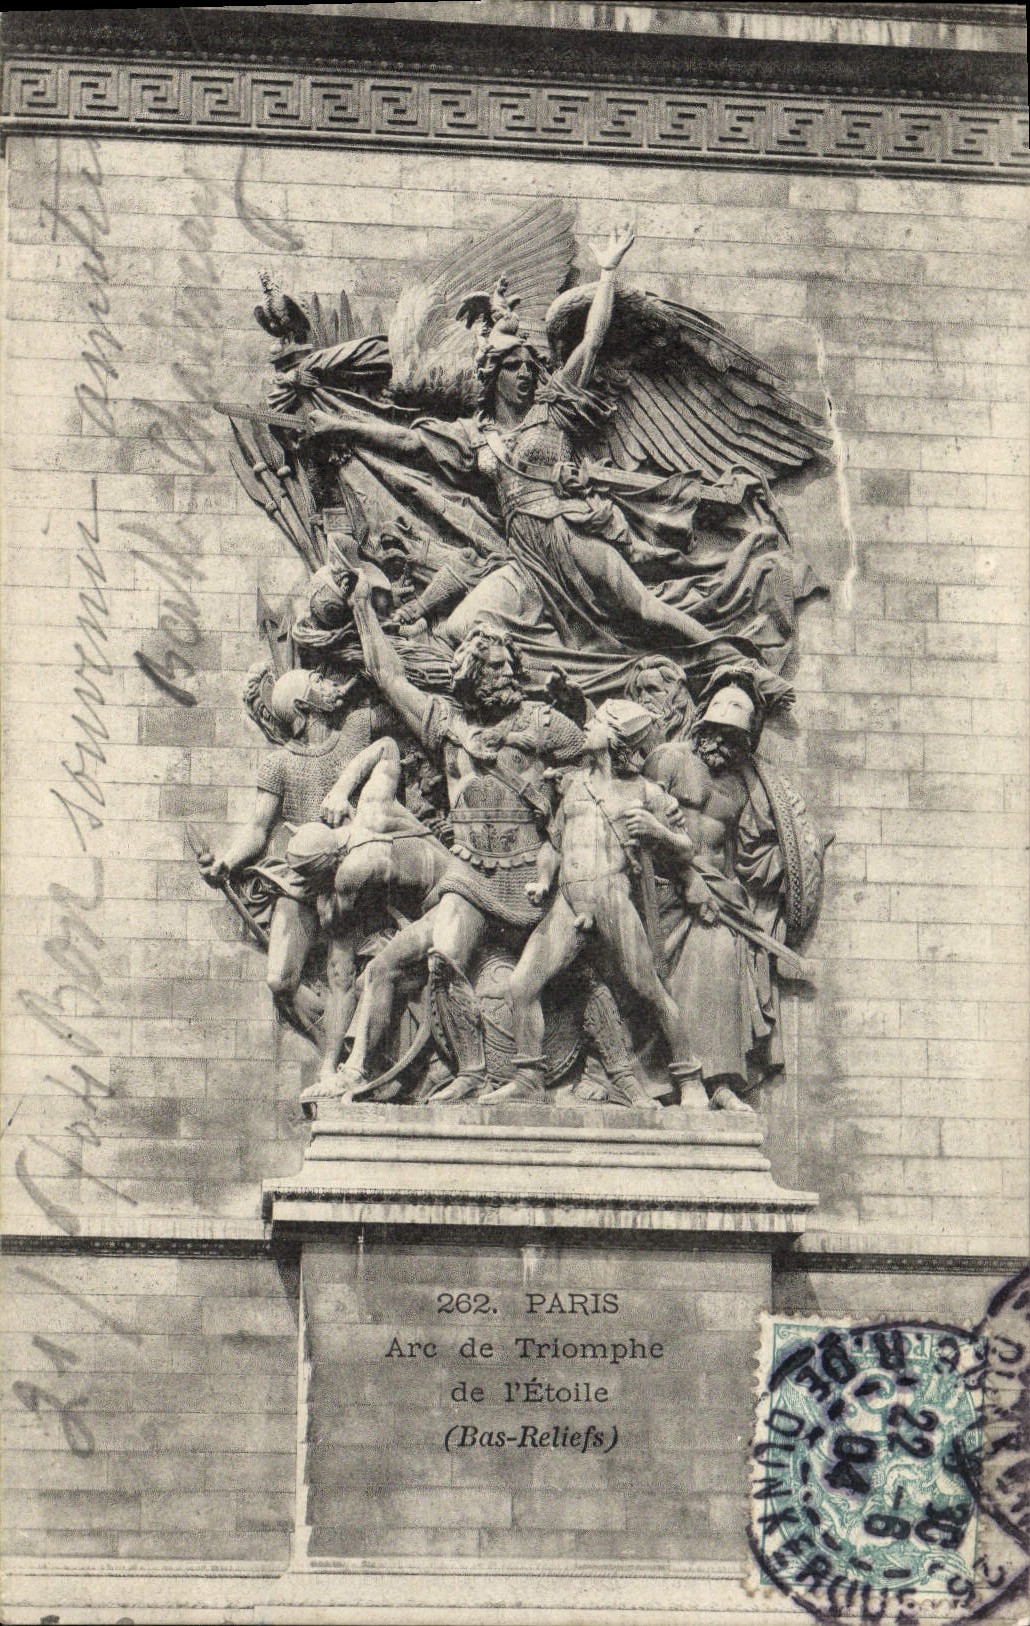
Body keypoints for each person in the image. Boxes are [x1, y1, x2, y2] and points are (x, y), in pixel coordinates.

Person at [306, 228, 744, 676]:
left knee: (644, 609)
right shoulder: (475, 435)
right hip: (525, 558)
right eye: (512, 367)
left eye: (527, 366)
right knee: (459, 627)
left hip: (569, 534)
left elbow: (592, 342)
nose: (524, 375)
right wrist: (341, 426)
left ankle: (733, 661)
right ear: (492, 375)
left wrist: (608, 272)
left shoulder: (552, 410)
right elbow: (409, 442)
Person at [348, 571, 585, 1100]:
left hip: (533, 873)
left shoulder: (545, 724)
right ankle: (471, 1072)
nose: (505, 674)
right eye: (493, 667)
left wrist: (558, 845)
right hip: (472, 873)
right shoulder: (446, 723)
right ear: (470, 674)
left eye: (508, 664)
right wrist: (362, 605)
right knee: (443, 958)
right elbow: (387, 674)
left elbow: (590, 774)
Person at [499, 698, 706, 1106]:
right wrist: (543, 879)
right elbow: (554, 845)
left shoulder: (645, 792)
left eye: (595, 722)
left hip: (610, 898)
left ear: (614, 739)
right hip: (567, 901)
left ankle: (690, 1078)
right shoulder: (575, 785)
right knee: (521, 986)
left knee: (649, 989)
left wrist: (657, 831)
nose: (586, 725)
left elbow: (687, 847)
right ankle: (528, 1077)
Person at [197, 668, 391, 1030]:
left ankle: (350, 1036)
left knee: (346, 971)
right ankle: (329, 1036)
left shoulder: (354, 732)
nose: (330, 683)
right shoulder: (279, 764)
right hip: (299, 879)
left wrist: (372, 675)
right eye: (318, 681)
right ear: (304, 705)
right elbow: (258, 828)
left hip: (349, 867)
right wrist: (227, 861)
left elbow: (395, 708)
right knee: (280, 981)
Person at [643, 671, 788, 1112]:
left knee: (724, 957)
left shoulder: (741, 786)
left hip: (718, 895)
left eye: (733, 735)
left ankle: (720, 1079)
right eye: (716, 730)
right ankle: (674, 1077)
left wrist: (784, 865)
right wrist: (688, 880)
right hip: (667, 886)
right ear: (702, 724)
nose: (721, 742)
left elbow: (741, 853)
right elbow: (641, 821)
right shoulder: (669, 759)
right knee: (677, 970)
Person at [296, 735, 452, 1103]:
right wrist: (340, 791)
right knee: (367, 976)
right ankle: (360, 1064)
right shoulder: (371, 807)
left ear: (329, 864)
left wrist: (324, 901)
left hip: (451, 904)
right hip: (441, 887)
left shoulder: (350, 873)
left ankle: (355, 1072)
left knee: (379, 972)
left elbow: (335, 924)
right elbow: (387, 746)